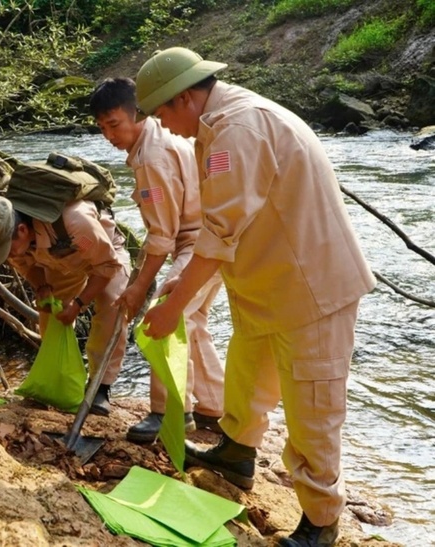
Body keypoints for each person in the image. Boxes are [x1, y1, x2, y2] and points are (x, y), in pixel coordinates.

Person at [133, 47, 376, 547]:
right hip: (272, 285)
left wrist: (173, 308)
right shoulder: (223, 123)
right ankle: (237, 452)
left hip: (312, 292)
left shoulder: (236, 130)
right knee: (247, 378)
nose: (163, 127)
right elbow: (226, 224)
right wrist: (182, 284)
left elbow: (220, 231)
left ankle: (321, 522)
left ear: (184, 99)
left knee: (312, 410)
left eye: (161, 114)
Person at [89, 77, 225, 443]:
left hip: (201, 241)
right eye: (102, 128)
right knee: (193, 321)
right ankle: (215, 408)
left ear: (137, 113)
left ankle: (168, 413)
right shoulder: (159, 137)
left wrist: (138, 288)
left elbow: (162, 237)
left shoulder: (152, 157)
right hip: (211, 237)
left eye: (114, 124)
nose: (109, 136)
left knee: (165, 316)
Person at [0, 194, 131, 416]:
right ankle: (56, 381)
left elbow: (107, 266)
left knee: (111, 306)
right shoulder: (8, 238)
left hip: (103, 254)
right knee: (51, 318)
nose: (6, 256)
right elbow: (26, 265)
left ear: (22, 231)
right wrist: (42, 287)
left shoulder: (76, 222)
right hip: (59, 260)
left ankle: (101, 386)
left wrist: (79, 304)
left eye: (6, 250)